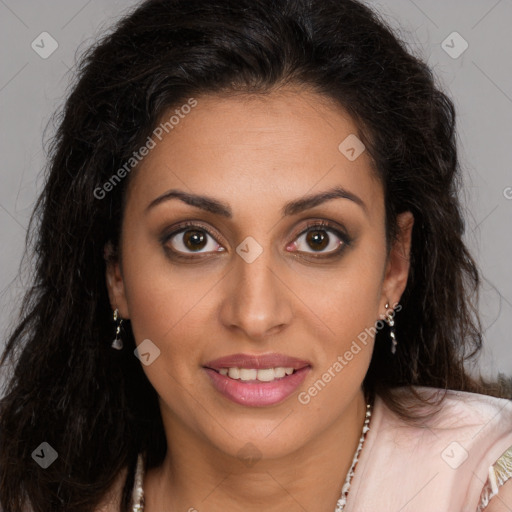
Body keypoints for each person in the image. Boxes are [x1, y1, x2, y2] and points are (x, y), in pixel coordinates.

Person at [1, 0, 511, 511]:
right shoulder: (26, 492)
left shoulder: (487, 483)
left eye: (317, 239)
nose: (255, 314)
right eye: (194, 240)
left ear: (394, 267)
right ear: (116, 272)